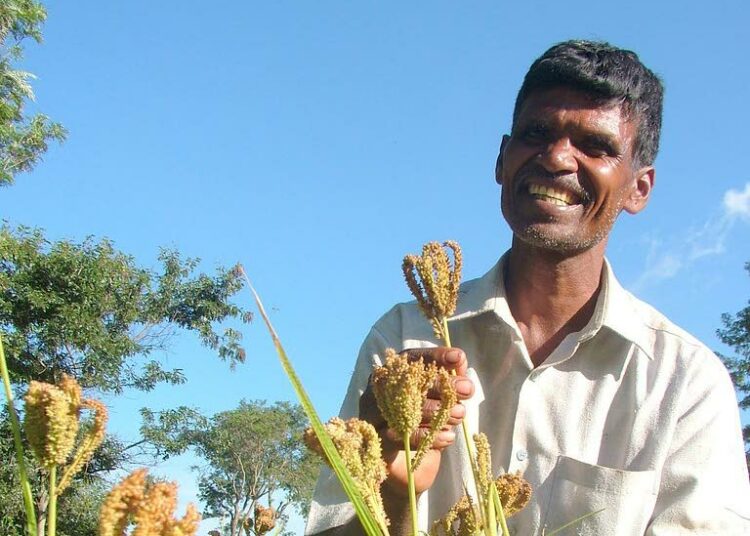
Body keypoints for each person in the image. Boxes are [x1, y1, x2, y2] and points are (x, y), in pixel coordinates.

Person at [305, 40, 750, 535]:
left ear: (638, 188)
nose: (557, 157)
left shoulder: (685, 384)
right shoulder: (404, 343)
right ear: (501, 159)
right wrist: (390, 491)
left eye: (595, 146)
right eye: (536, 133)